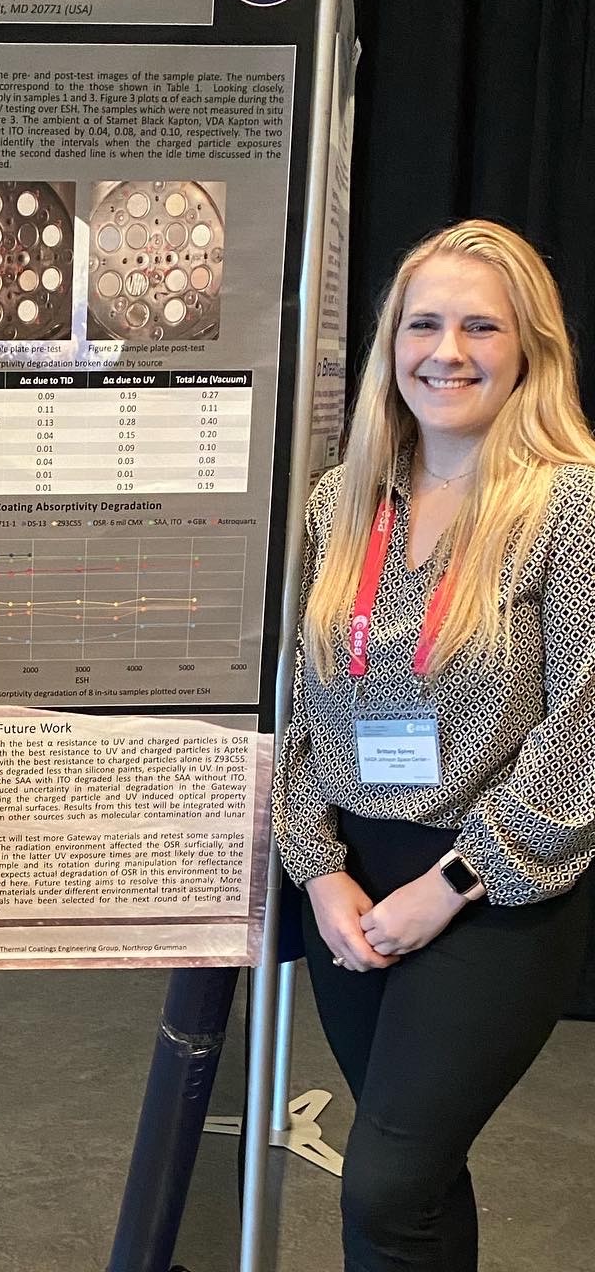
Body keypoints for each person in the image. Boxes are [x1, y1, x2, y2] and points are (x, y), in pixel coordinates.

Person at [274, 219, 595, 1269]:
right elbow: (299, 710)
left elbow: (584, 731)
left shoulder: (571, 506)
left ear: (529, 350)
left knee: (385, 1184)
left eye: (479, 326)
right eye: (424, 323)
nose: (446, 351)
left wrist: (450, 882)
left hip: (494, 891)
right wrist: (319, 872)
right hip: (356, 888)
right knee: (416, 1181)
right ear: (390, 346)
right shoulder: (344, 500)